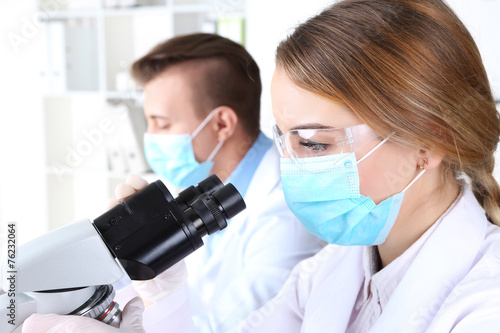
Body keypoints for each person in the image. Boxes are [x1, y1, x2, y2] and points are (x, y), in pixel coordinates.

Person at [20, 0, 500, 332]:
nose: (290, 167)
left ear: (429, 140)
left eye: (313, 143)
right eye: (283, 139)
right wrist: (164, 296)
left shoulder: (484, 306)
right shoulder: (333, 270)